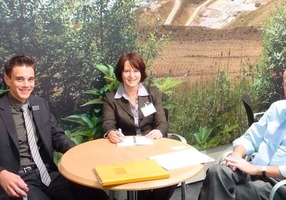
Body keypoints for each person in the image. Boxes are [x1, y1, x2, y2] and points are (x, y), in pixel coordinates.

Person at [0, 55, 109, 200]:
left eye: (30, 79)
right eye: (20, 79)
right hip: (19, 179)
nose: (26, 85)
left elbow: (56, 135)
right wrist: (1, 174)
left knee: (97, 196)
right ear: (7, 80)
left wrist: (75, 151)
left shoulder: (41, 104)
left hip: (47, 173)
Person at [198, 63, 286, 200]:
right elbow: (251, 137)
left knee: (233, 193)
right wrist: (236, 156)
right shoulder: (277, 108)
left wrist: (259, 170)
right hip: (254, 168)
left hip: (284, 184)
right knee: (217, 172)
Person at [102, 52, 175, 200]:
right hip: (127, 151)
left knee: (173, 175)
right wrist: (110, 132)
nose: (132, 75)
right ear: (120, 74)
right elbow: (107, 123)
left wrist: (159, 131)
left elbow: (162, 122)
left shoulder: (152, 93)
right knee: (141, 180)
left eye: (136, 71)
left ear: (141, 73)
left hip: (152, 146)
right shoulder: (111, 98)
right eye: (127, 71)